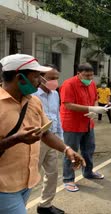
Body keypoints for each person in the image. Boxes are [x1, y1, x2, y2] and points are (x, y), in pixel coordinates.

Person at [0, 54, 85, 214]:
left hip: (26, 183)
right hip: (4, 186)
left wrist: (67, 149)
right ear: (20, 78)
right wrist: (15, 140)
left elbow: (45, 132)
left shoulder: (34, 101)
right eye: (37, 76)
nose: (41, 80)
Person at [60, 63, 106, 192]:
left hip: (87, 123)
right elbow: (68, 105)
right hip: (72, 124)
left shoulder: (91, 83)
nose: (90, 78)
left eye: (92, 75)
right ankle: (68, 179)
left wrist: (95, 109)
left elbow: (95, 99)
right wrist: (90, 108)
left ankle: (88, 172)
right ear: (78, 73)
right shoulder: (68, 84)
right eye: (86, 75)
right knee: (71, 152)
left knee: (89, 149)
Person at [33, 64, 65, 214]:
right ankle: (18, 207)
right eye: (51, 78)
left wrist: (61, 138)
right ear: (41, 78)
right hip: (37, 140)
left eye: (57, 78)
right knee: (32, 175)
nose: (55, 81)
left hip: (53, 139)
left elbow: (57, 116)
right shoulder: (33, 95)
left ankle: (45, 205)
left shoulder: (55, 94)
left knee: (52, 173)